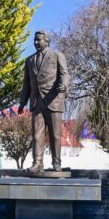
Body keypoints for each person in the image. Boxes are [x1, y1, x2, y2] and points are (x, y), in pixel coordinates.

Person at [18, 30, 69, 173]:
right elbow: (26, 84)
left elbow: (64, 75)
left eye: (38, 40)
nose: (35, 42)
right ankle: (37, 163)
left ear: (47, 41)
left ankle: (56, 163)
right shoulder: (29, 60)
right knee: (36, 135)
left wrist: (63, 86)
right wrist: (22, 102)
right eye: (34, 40)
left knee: (55, 135)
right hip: (37, 102)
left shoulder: (57, 56)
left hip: (53, 100)